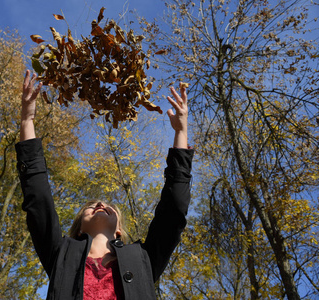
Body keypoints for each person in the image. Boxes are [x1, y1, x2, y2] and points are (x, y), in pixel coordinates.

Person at [15, 70, 194, 300]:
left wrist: (181, 132)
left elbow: (174, 211)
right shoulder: (62, 256)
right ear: (79, 229)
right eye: (90, 207)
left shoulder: (142, 260)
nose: (99, 204)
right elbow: (37, 200)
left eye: (107, 206)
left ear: (119, 229)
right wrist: (26, 120)